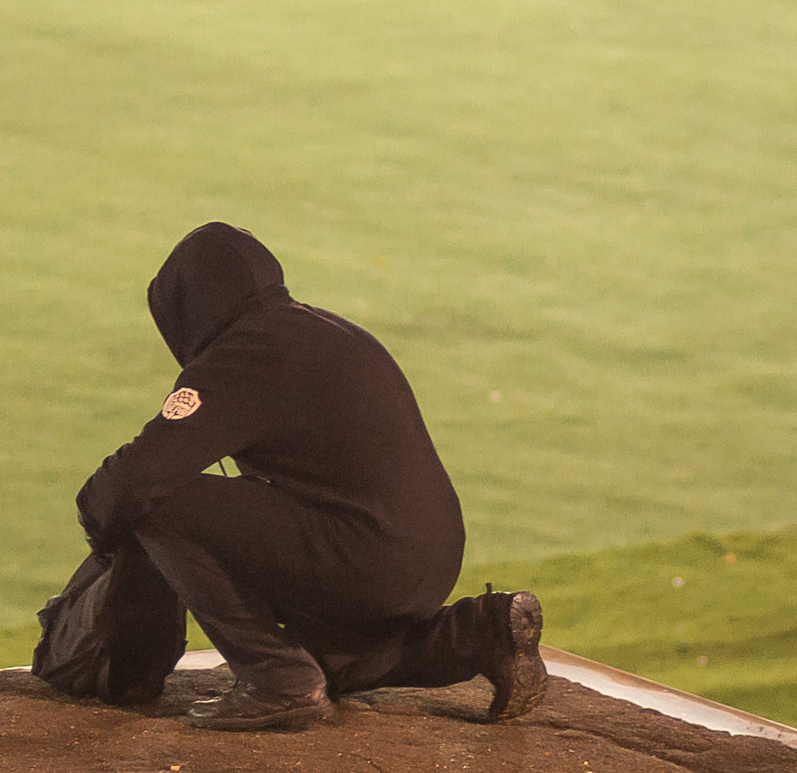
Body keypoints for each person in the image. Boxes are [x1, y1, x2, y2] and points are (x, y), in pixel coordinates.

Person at [56, 222, 545, 731]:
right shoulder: (321, 330)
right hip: (429, 557)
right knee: (329, 663)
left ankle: (275, 678)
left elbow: (135, 482)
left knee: (162, 503)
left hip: (364, 556)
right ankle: (479, 632)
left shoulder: (245, 353)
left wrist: (102, 530)